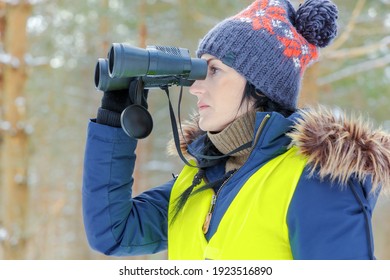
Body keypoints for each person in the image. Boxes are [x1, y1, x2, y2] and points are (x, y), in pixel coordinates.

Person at [82, 0, 390, 260]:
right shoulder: (199, 177)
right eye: (198, 69)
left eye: (213, 70)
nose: (196, 87)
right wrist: (114, 117)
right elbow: (113, 232)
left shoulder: (316, 181)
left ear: (260, 86)